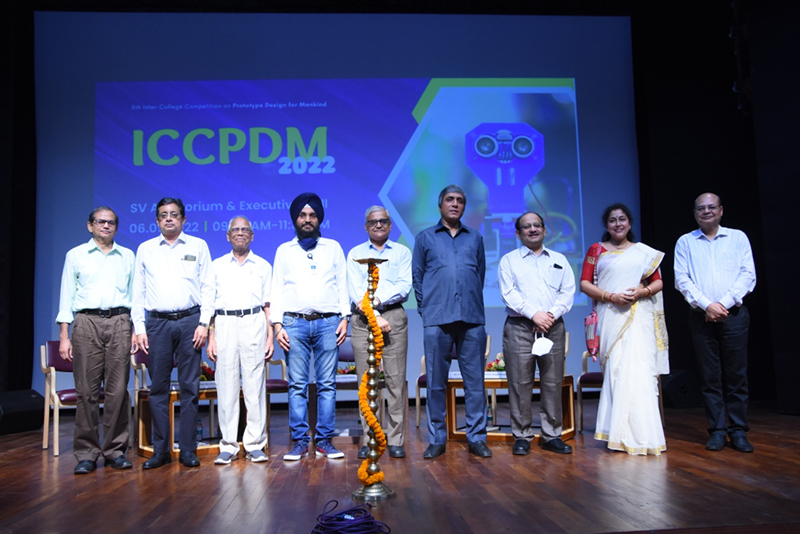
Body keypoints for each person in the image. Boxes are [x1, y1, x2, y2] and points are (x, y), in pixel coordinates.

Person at [579, 203, 669, 456]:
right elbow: (584, 284)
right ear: (606, 225)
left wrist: (642, 292)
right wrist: (610, 296)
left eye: (622, 219)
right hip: (610, 316)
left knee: (639, 373)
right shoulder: (597, 250)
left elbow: (658, 282)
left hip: (637, 319)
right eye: (612, 220)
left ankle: (644, 436)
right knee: (616, 372)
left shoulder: (643, 253)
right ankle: (617, 434)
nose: (617, 224)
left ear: (629, 223)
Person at [132, 197, 214, 469]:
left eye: (174, 214)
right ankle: (161, 451)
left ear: (183, 219)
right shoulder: (145, 249)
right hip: (157, 323)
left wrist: (204, 323)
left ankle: (188, 449)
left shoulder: (198, 245)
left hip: (191, 321)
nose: (169, 218)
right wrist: (139, 328)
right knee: (158, 388)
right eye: (163, 215)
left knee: (190, 387)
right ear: (157, 220)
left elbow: (208, 287)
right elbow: (138, 292)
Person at [412, 184, 491, 459]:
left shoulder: (475, 238)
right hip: (437, 318)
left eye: (460, 200)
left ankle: (477, 437)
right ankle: (437, 439)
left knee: (475, 383)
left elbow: (479, 275)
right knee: (436, 383)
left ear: (464, 206)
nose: (455, 204)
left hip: (471, 317)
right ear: (440, 205)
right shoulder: (425, 237)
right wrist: (426, 309)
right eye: (449, 199)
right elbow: (418, 277)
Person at [56, 207, 136, 474]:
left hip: (119, 321)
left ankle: (115, 450)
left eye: (111, 222)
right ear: (90, 226)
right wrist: (64, 335)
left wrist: (135, 329)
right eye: (100, 222)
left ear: (116, 227)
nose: (106, 226)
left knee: (117, 391)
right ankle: (86, 453)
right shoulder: (76, 255)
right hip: (86, 322)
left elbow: (135, 296)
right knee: (86, 392)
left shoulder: (127, 256)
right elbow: (67, 295)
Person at [674, 193, 756, 453]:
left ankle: (738, 430)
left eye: (712, 207)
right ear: (695, 213)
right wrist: (707, 305)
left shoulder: (738, 237)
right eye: (701, 208)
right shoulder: (685, 241)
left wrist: (724, 304)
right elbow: (682, 279)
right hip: (701, 317)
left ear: (721, 210)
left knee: (737, 376)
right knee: (710, 377)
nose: (706, 211)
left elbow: (748, 274)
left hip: (734, 316)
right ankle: (718, 430)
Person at [271, 193, 350, 461]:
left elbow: (342, 284)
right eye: (302, 215)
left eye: (312, 215)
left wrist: (345, 318)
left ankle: (325, 440)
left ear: (319, 219)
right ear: (295, 219)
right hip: (293, 324)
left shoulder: (333, 247)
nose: (307, 220)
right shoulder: (284, 250)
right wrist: (277, 325)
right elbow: (277, 289)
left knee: (327, 384)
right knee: (297, 385)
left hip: (329, 323)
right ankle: (300, 442)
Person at [498, 212, 575, 455]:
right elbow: (508, 293)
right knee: (520, 384)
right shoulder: (509, 260)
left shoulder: (559, 259)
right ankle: (522, 435)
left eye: (536, 225)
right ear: (518, 233)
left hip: (553, 326)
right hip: (520, 327)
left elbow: (567, 292)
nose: (532, 229)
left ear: (544, 229)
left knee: (552, 382)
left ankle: (552, 435)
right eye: (526, 226)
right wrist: (534, 315)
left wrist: (549, 315)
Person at [346, 206, 412, 460]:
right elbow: (355, 291)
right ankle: (370, 438)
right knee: (366, 382)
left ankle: (395, 440)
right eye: (373, 222)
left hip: (393, 315)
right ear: (366, 226)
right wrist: (374, 314)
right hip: (363, 319)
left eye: (383, 221)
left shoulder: (402, 252)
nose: (378, 225)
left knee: (396, 380)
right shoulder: (356, 254)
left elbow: (404, 286)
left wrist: (379, 304)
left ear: (390, 225)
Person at [207, 216, 273, 465]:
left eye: (245, 229)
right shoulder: (216, 266)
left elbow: (268, 305)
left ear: (252, 235)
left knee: (255, 384)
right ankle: (228, 444)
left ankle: (255, 444)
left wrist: (270, 336)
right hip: (224, 322)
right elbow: (209, 305)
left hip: (254, 321)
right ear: (228, 236)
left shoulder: (263, 266)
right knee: (226, 384)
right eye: (235, 229)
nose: (240, 233)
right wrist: (211, 336)